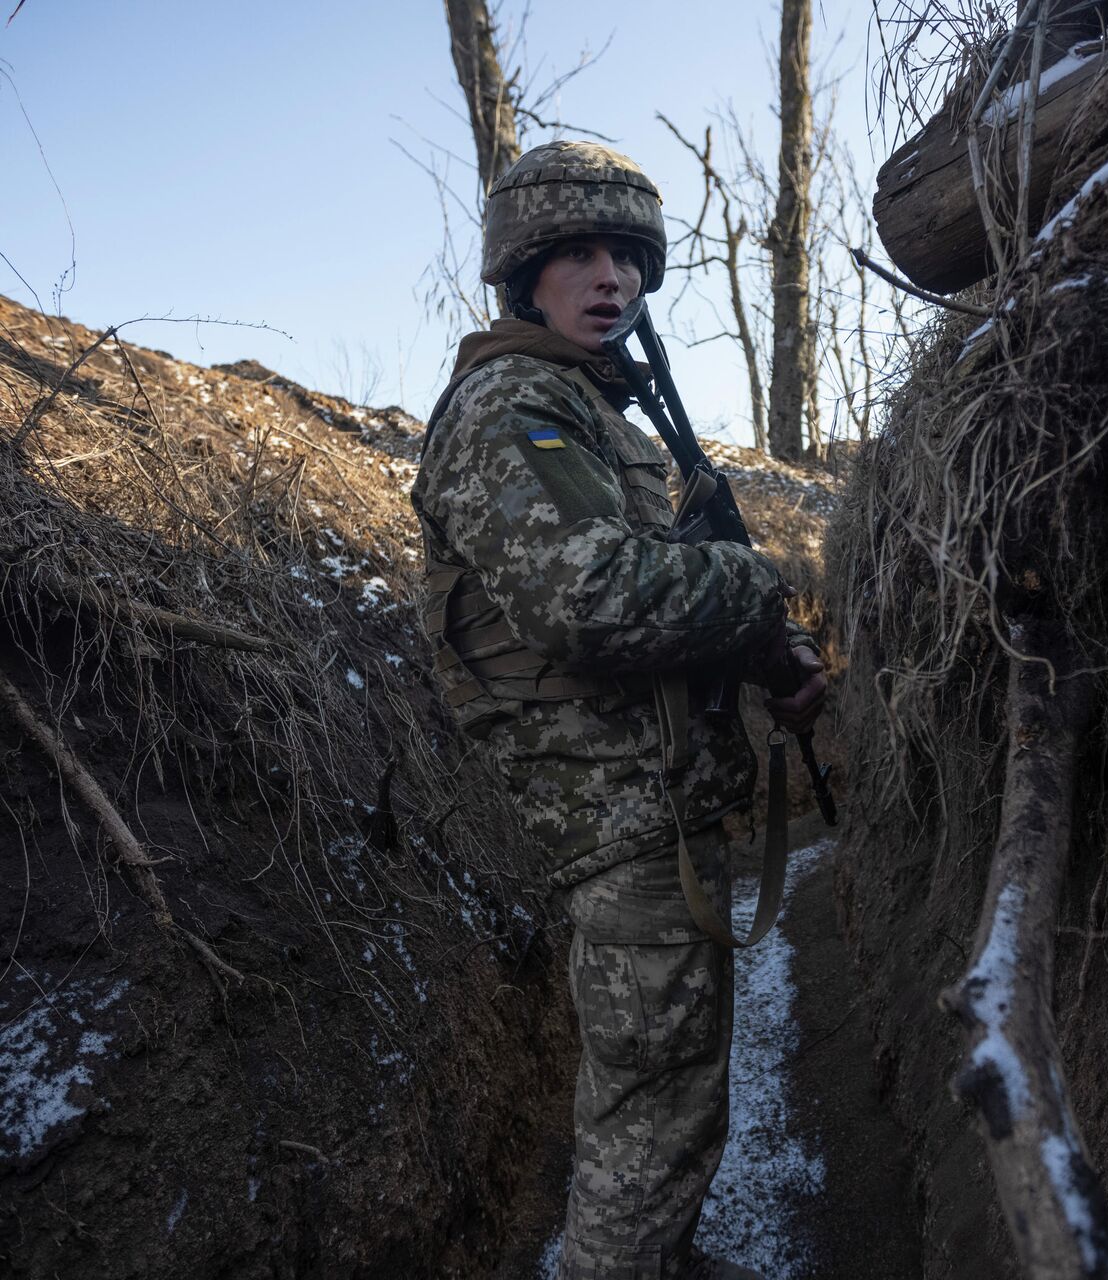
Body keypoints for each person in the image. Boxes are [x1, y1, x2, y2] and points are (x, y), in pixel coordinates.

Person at [411, 140, 826, 1280]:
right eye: (580, 254)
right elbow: (589, 599)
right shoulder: (510, 404)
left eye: (628, 259)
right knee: (648, 1126)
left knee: (676, 1101)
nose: (612, 281)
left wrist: (763, 655)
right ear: (526, 270)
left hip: (659, 810)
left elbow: (658, 617)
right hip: (613, 820)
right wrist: (753, 582)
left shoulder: (604, 419)